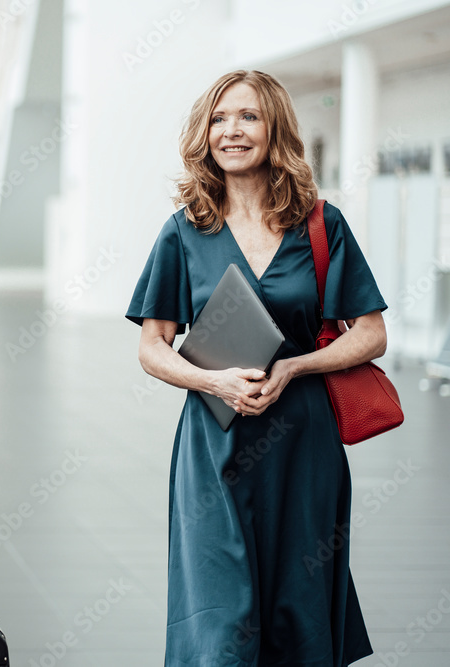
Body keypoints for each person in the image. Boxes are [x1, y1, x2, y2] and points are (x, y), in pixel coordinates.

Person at [126, 69, 386, 666]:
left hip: (303, 447)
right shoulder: (185, 231)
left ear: (276, 130)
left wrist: (295, 366)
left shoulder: (321, 224)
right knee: (219, 627)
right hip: (213, 450)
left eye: (248, 117)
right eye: (219, 118)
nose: (231, 131)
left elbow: (371, 334)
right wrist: (210, 379)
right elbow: (152, 346)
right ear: (203, 133)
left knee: (298, 612)